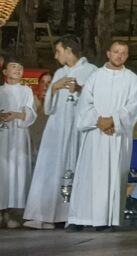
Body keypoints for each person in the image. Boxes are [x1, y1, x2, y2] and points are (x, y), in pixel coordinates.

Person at [23, 34, 97, 229]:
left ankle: (71, 215)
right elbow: (48, 109)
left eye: (58, 51)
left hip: (77, 129)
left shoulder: (91, 71)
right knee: (50, 168)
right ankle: (45, 214)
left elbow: (97, 98)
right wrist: (54, 89)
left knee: (73, 169)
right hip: (56, 129)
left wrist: (80, 89)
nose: (56, 56)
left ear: (68, 50)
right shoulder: (59, 72)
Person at [66, 40, 137, 232]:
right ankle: (79, 218)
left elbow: (132, 108)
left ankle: (107, 220)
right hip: (94, 135)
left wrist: (113, 120)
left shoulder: (132, 79)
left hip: (116, 136)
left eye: (123, 53)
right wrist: (99, 121)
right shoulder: (95, 77)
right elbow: (85, 103)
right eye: (116, 52)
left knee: (112, 177)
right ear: (108, 53)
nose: (119, 56)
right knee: (88, 175)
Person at [0, 55, 37, 229]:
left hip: (19, 135)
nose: (17, 70)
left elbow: (29, 114)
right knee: (3, 172)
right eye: (14, 67)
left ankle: (15, 211)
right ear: (5, 71)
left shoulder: (26, 91)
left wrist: (15, 115)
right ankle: (3, 211)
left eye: (20, 68)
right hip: (2, 135)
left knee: (18, 171)